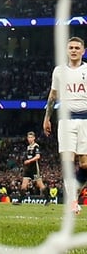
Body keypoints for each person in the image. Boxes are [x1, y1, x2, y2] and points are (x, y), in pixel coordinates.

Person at [43, 36, 87, 215]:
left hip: (85, 120)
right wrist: (47, 117)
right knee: (68, 162)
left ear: (83, 51)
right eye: (71, 47)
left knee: (84, 165)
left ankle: (74, 191)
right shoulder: (59, 71)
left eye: (77, 47)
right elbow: (53, 96)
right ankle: (73, 201)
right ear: (67, 50)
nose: (74, 50)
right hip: (66, 120)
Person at [20, 131, 45, 202]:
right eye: (29, 137)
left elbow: (38, 156)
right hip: (28, 169)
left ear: (34, 138)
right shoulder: (28, 147)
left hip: (34, 169)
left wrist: (29, 161)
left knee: (40, 184)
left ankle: (48, 199)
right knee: (23, 185)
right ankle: (20, 201)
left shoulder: (36, 146)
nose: (30, 139)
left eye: (31, 137)